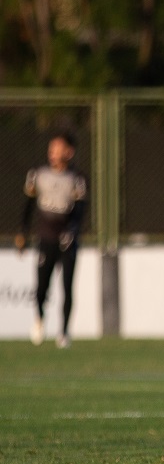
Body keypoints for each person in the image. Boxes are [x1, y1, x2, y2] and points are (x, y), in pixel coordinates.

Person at [15, 132, 88, 349]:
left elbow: (80, 211)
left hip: (67, 241)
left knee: (67, 285)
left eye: (58, 148)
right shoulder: (37, 175)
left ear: (69, 151)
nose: (53, 153)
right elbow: (28, 205)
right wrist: (23, 232)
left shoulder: (77, 179)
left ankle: (64, 332)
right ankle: (39, 319)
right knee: (41, 287)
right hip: (46, 239)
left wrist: (72, 231)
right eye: (51, 148)